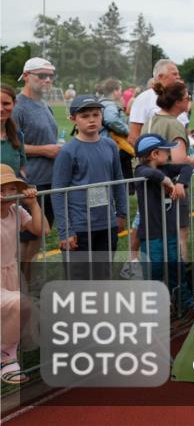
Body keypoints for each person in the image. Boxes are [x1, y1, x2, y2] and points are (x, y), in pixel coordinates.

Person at [51, 95, 128, 280]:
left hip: (106, 225)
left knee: (103, 276)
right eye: (85, 116)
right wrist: (65, 230)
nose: (92, 119)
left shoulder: (110, 145)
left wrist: (122, 213)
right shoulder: (68, 152)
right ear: (73, 119)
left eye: (96, 114)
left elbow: (118, 180)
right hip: (80, 228)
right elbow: (58, 192)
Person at [140, 82, 194, 264]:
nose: (189, 101)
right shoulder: (174, 124)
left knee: (155, 235)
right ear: (179, 102)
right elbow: (179, 160)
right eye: (188, 97)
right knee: (179, 233)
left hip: (150, 187)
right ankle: (180, 279)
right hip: (172, 187)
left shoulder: (151, 120)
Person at [133, 134, 193, 310]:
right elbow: (149, 173)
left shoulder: (166, 167)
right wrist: (165, 180)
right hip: (152, 235)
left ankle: (184, 301)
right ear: (154, 154)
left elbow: (187, 168)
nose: (169, 154)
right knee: (154, 271)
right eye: (166, 151)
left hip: (170, 231)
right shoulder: (140, 171)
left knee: (176, 267)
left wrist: (181, 183)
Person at [13, 57, 60, 281]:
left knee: (38, 237)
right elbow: (12, 145)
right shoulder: (17, 107)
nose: (47, 80)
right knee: (26, 238)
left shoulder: (43, 104)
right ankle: (18, 288)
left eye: (51, 76)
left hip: (49, 181)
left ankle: (26, 285)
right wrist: (45, 150)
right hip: (29, 183)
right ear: (27, 75)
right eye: (42, 75)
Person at [1, 164, 46, 385]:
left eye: (11, 189)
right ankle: (6, 356)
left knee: (17, 313)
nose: (7, 195)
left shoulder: (15, 211)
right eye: (2, 190)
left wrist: (33, 203)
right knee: (21, 306)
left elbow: (42, 230)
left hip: (10, 274)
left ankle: (8, 358)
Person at [128, 60, 187, 145]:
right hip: (154, 156)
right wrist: (148, 156)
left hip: (179, 154)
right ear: (160, 76)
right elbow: (134, 136)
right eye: (174, 74)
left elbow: (183, 129)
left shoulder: (178, 99)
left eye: (178, 74)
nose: (178, 77)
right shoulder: (144, 99)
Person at [96, 78, 135, 190]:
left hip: (104, 142)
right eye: (120, 90)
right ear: (115, 91)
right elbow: (111, 120)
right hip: (113, 143)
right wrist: (127, 130)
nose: (121, 92)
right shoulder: (110, 105)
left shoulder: (101, 102)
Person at [1, 85, 27, 177]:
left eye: (6, 104)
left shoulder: (18, 135)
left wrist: (26, 187)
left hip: (12, 192)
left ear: (14, 103)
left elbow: (22, 170)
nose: (1, 109)